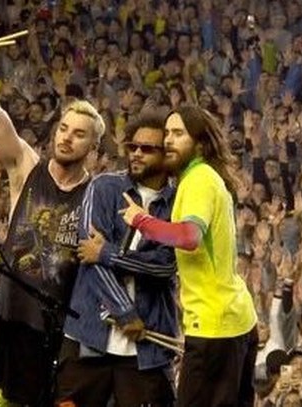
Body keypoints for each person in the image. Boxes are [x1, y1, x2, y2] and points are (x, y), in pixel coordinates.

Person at [0, 38, 105, 406]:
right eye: (64, 128)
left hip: (62, 323)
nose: (66, 137)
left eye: (78, 134)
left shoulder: (97, 194)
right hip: (15, 314)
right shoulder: (26, 166)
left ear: (93, 148)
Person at [120, 105, 258, 407]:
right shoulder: (201, 178)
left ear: (200, 143)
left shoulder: (198, 179)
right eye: (167, 133)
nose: (168, 140)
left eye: (178, 133)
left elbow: (188, 237)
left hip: (214, 327)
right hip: (232, 320)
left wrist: (141, 221)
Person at [58, 112, 178, 406]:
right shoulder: (103, 187)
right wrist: (125, 312)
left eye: (147, 149)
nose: (136, 154)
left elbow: (166, 265)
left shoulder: (177, 202)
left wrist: (107, 252)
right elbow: (89, 256)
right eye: (132, 147)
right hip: (89, 334)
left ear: (166, 156)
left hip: (148, 344)